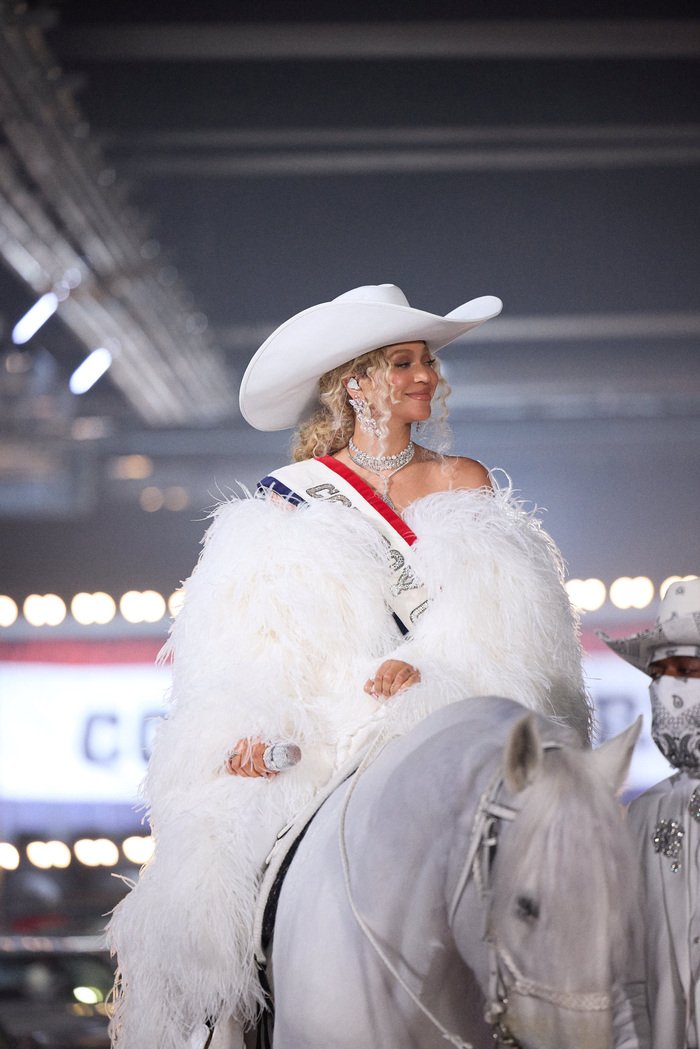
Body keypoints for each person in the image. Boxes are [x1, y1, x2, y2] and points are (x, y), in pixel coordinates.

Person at [107, 283, 593, 1049]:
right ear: (355, 384)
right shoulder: (287, 504)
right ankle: (219, 1026)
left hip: (439, 713)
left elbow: (507, 629)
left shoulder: (462, 479)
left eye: (427, 359)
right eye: (403, 362)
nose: (426, 374)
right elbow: (248, 645)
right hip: (322, 727)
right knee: (220, 871)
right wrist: (252, 725)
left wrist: (430, 667)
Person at [599, 576, 700, 1049]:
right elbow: (627, 976)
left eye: (686, 669)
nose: (668, 687)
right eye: (659, 673)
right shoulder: (644, 812)